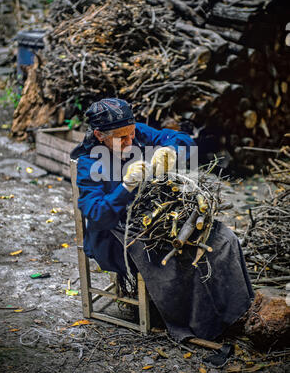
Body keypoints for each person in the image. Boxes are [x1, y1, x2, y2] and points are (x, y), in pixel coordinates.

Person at [70, 98, 254, 342]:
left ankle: (238, 311)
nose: (129, 142)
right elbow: (96, 214)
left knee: (223, 238)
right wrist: (125, 187)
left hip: (154, 213)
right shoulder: (88, 163)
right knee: (186, 254)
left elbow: (184, 140)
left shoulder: (136, 135)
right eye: (120, 138)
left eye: (131, 134)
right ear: (99, 135)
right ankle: (203, 324)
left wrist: (171, 150)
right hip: (115, 234)